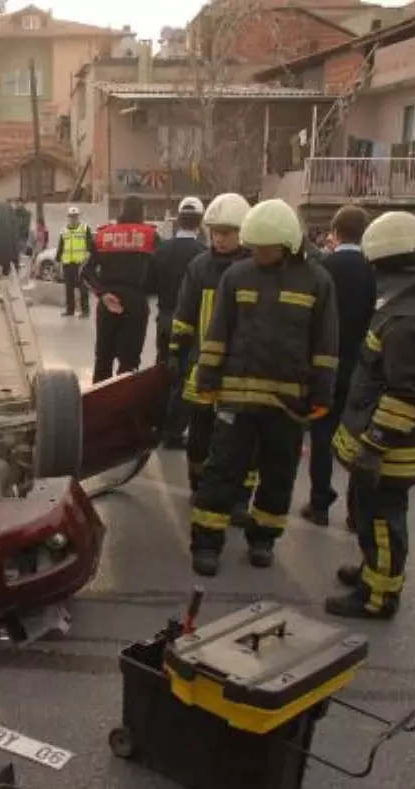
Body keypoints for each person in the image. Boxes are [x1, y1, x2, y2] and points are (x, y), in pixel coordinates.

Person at [188, 198, 339, 577]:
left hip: (287, 403)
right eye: (254, 247)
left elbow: (325, 347)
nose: (258, 253)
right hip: (237, 398)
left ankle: (262, 540)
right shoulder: (237, 276)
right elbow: (218, 334)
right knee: (222, 471)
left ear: (288, 244)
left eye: (265, 248)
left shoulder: (317, 282)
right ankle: (206, 544)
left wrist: (322, 395)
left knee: (278, 474)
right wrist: (207, 380)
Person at [325, 211, 415, 619]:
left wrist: (375, 444)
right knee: (374, 515)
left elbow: (406, 393)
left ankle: (378, 597)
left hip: (389, 447)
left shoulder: (406, 317)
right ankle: (371, 571)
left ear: (382, 261)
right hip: (397, 442)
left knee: (381, 517)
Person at [169, 192, 253, 510]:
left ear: (242, 232)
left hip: (241, 369)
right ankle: (198, 484)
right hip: (202, 366)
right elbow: (184, 314)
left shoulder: (254, 269)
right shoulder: (199, 267)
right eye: (215, 232)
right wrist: (176, 351)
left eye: (226, 233)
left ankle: (239, 498)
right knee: (200, 434)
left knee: (240, 439)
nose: (218, 239)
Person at [300, 206, 377, 529]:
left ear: (335, 230)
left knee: (322, 434)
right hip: (364, 367)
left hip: (325, 364)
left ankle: (319, 503)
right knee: (361, 439)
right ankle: (356, 513)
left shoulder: (322, 268)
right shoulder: (374, 270)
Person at [148, 196, 206, 447]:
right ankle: (173, 432)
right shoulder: (204, 255)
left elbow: (148, 285)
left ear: (177, 220)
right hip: (192, 324)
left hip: (166, 316)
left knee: (163, 369)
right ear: (200, 223)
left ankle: (157, 422)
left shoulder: (162, 250)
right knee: (184, 375)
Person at [82, 195, 157, 381]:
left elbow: (85, 272)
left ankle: (99, 404)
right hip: (136, 303)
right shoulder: (151, 236)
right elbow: (161, 269)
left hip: (108, 302)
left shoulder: (103, 235)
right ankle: (124, 405)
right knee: (129, 363)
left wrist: (102, 293)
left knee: (103, 360)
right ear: (142, 212)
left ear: (121, 210)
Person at [54, 207, 94, 319]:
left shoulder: (84, 228)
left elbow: (90, 245)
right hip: (67, 264)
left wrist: (88, 257)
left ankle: (85, 311)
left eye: (75, 216)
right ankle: (69, 310)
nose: (73, 218)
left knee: (83, 288)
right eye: (71, 217)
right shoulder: (64, 231)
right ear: (68, 218)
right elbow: (60, 248)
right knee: (68, 288)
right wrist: (58, 261)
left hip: (80, 264)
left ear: (78, 217)